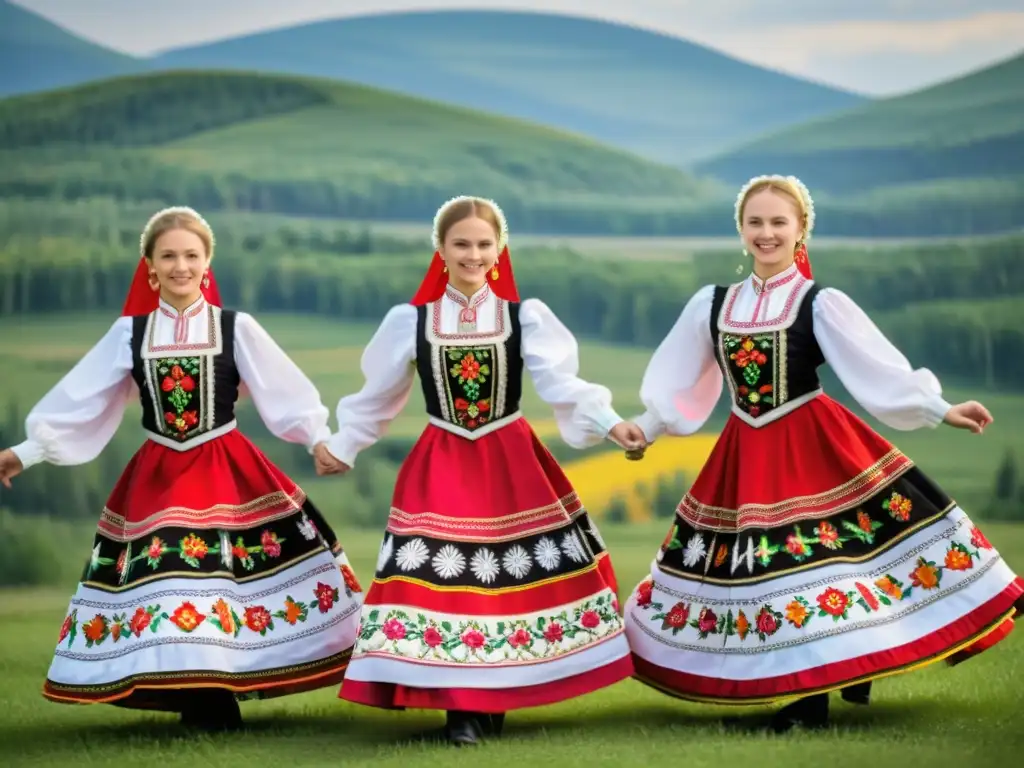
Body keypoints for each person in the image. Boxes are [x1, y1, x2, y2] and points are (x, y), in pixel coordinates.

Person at [620, 175, 1024, 732]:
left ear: (801, 229)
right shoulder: (713, 304)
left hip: (814, 444)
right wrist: (647, 426)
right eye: (755, 222)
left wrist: (939, 407)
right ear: (741, 230)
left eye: (778, 223)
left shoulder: (819, 302)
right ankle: (825, 677)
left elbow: (874, 367)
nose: (767, 233)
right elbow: (679, 376)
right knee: (764, 569)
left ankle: (810, 701)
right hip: (745, 449)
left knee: (807, 563)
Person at [0, 206, 363, 731]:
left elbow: (284, 391)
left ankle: (214, 699)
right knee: (174, 582)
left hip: (228, 468)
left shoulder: (236, 327)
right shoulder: (131, 333)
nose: (180, 266)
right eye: (168, 256)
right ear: (149, 268)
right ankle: (203, 700)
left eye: (191, 255)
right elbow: (82, 401)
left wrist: (318, 440)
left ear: (207, 263)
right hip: (159, 474)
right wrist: (24, 453)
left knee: (226, 583)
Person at [319, 195, 645, 745]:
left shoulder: (523, 317)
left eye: (483, 244)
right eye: (461, 244)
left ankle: (490, 696)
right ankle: (463, 709)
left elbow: (561, 383)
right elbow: (379, 395)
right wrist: (344, 443)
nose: (473, 254)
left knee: (508, 580)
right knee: (449, 579)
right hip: (442, 458)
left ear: (500, 249)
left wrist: (611, 423)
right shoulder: (412, 321)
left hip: (510, 459)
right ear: (441, 250)